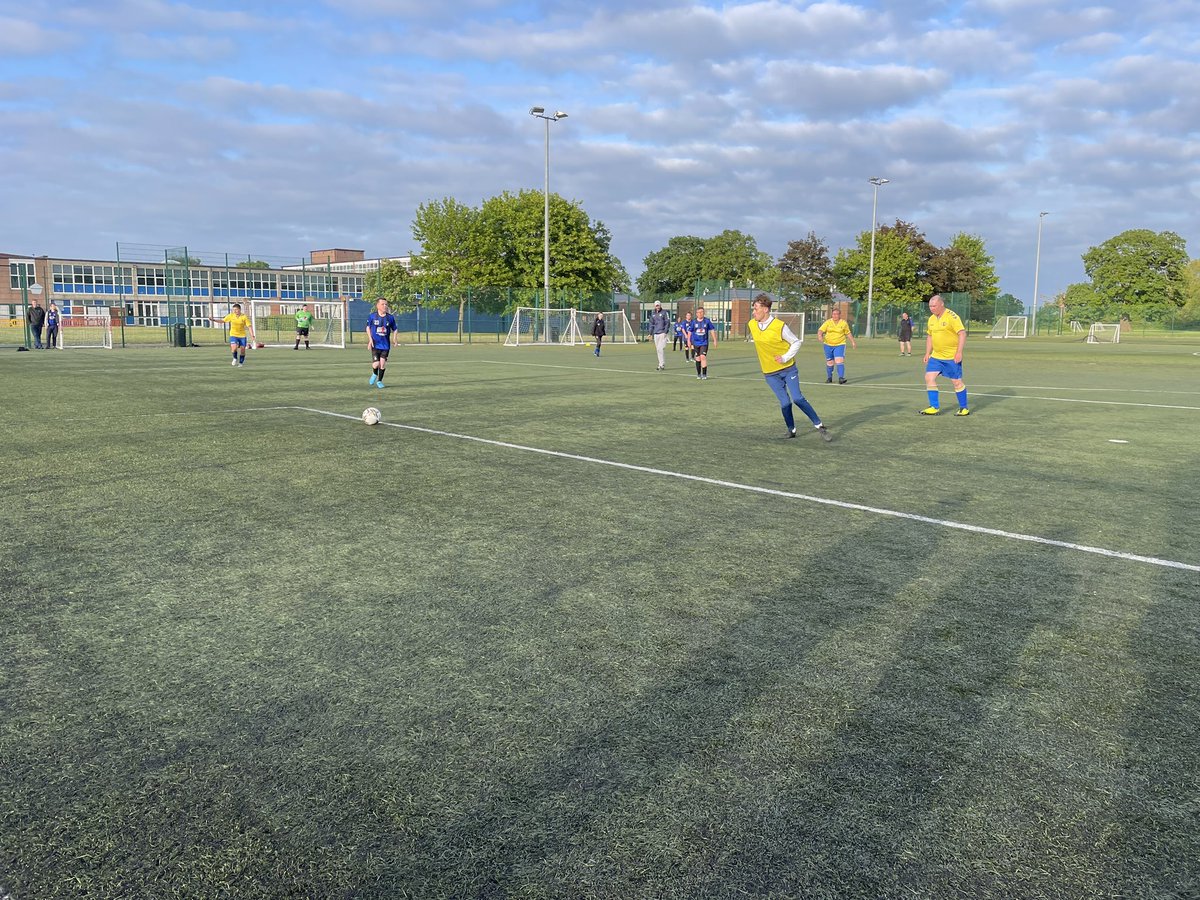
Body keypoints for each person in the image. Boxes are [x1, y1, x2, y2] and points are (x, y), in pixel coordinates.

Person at [748, 294, 832, 441]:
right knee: (785, 403)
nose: (753, 312)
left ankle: (820, 426)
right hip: (770, 373)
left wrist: (785, 357)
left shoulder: (779, 326)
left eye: (756, 309)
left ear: (766, 309)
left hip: (788, 369)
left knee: (798, 398)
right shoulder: (752, 324)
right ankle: (791, 429)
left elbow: (796, 342)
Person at [921, 294, 970, 416]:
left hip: (951, 357)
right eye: (930, 306)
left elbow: (962, 334)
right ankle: (934, 407)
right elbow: (930, 336)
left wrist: (959, 352)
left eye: (934, 306)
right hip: (936, 356)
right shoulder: (931, 319)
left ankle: (964, 408)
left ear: (941, 305)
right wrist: (927, 353)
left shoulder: (952, 317)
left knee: (956, 382)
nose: (932, 308)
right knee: (929, 378)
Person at [817, 306, 857, 383]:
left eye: (837, 314)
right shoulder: (828, 322)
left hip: (840, 344)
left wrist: (853, 342)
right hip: (828, 345)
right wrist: (820, 336)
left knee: (839, 361)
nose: (835, 315)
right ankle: (829, 378)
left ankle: (841, 378)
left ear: (839, 315)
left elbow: (848, 333)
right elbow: (820, 330)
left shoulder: (843, 323)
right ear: (832, 315)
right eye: (834, 314)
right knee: (830, 362)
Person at [366, 297, 397, 387]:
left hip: (385, 345)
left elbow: (395, 329)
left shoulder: (390, 317)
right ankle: (375, 373)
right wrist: (370, 340)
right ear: (377, 305)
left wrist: (395, 339)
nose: (385, 306)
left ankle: (379, 381)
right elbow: (368, 328)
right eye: (382, 304)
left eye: (386, 304)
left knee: (382, 365)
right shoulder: (372, 316)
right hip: (375, 344)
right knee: (376, 364)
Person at [222, 302, 256, 367]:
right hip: (233, 334)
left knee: (242, 350)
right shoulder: (231, 315)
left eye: (236, 309)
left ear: (239, 310)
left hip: (242, 336)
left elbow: (249, 326)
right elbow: (223, 321)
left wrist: (252, 335)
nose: (234, 311)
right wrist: (214, 320)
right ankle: (235, 358)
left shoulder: (244, 317)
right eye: (233, 309)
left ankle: (240, 363)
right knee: (234, 348)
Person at [688, 306, 716, 379]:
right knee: (698, 358)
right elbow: (690, 332)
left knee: (703, 357)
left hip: (704, 343)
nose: (700, 314)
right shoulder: (694, 322)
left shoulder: (707, 321)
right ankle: (698, 374)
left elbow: (712, 330)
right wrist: (688, 341)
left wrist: (715, 340)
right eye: (698, 312)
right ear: (696, 314)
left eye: (702, 312)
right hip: (695, 343)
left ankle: (704, 374)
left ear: (704, 313)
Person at [648, 301, 671, 370]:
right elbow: (651, 324)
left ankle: (661, 364)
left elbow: (667, 322)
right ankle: (661, 364)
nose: (657, 307)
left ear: (660, 305)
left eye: (658, 305)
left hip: (662, 333)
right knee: (658, 350)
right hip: (656, 334)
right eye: (656, 306)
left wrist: (665, 332)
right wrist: (650, 333)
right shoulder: (653, 314)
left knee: (660, 348)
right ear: (654, 306)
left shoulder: (664, 313)